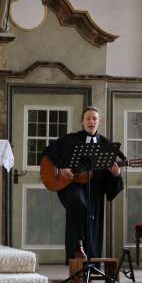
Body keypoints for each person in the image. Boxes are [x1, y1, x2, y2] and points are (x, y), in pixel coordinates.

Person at [43, 106, 123, 263]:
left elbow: (111, 178)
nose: (91, 121)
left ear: (99, 122)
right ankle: (77, 251)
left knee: (92, 216)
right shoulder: (71, 139)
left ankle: (91, 264)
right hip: (72, 186)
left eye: (94, 118)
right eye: (88, 118)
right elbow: (48, 151)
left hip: (95, 190)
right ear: (82, 122)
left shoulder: (106, 144)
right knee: (79, 204)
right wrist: (60, 168)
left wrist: (116, 175)